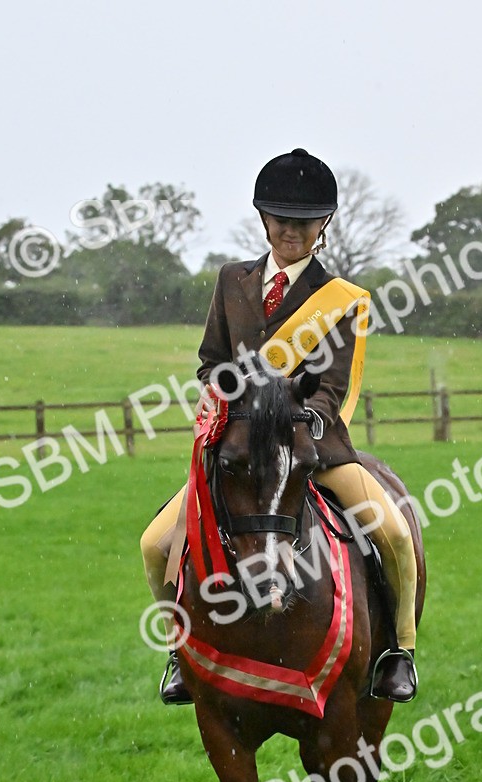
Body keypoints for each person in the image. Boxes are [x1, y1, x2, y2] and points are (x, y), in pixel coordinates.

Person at [140, 148, 418, 705]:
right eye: (281, 220)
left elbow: (334, 389)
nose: (292, 231)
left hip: (311, 446)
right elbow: (211, 360)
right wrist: (218, 401)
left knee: (392, 532)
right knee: (154, 544)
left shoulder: (341, 300)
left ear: (323, 227)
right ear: (264, 220)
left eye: (305, 222)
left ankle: (399, 650)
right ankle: (180, 651)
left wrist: (293, 428)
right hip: (239, 446)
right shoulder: (230, 280)